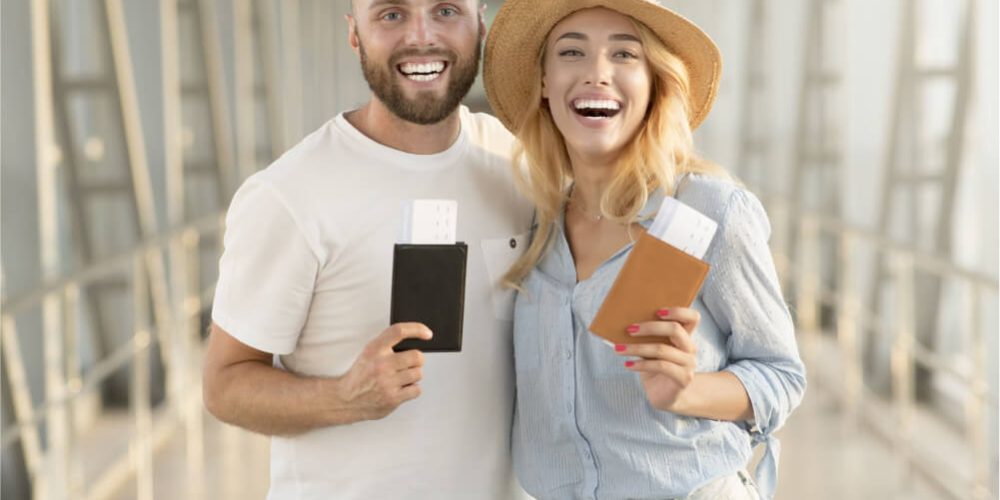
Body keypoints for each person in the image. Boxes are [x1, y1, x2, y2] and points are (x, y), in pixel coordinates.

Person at [202, 1, 534, 498]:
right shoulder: (290, 195)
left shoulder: (516, 165)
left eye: (445, 10)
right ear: (354, 33)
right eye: (391, 14)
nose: (422, 36)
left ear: (480, 25)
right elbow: (224, 386)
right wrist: (343, 399)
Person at [483, 1, 807, 499]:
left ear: (655, 80)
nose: (597, 73)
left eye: (624, 55)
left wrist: (688, 389)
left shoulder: (710, 211)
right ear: (544, 82)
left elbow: (781, 375)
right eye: (572, 52)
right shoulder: (532, 227)